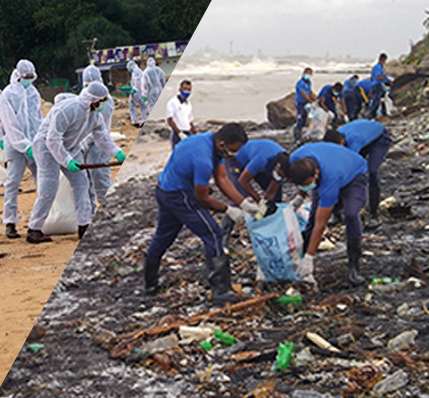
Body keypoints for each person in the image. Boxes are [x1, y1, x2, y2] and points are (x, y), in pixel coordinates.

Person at [143, 124, 261, 303]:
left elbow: (222, 179)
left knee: (163, 236)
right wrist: (228, 210)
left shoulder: (212, 142)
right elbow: (202, 198)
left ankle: (150, 285)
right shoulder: (203, 159)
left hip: (164, 189)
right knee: (213, 234)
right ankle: (220, 291)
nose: (235, 155)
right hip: (178, 195)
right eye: (234, 150)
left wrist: (243, 203)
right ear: (223, 144)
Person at [27, 83, 126, 244]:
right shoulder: (67, 110)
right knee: (49, 187)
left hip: (71, 147)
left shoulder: (94, 116)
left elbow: (102, 138)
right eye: (103, 101)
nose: (104, 105)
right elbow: (53, 139)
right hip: (46, 147)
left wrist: (116, 152)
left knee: (82, 183)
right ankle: (34, 229)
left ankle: (84, 225)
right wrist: (66, 161)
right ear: (94, 100)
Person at [289, 142, 369, 286]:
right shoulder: (296, 159)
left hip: (354, 173)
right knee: (312, 217)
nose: (306, 187)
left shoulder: (330, 179)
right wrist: (300, 197)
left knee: (351, 214)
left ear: (316, 174)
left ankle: (353, 266)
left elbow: (321, 224)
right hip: (333, 163)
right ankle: (300, 262)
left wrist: (310, 258)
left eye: (309, 183)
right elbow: (299, 181)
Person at [0, 60, 43, 239]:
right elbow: (9, 123)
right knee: (13, 183)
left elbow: (38, 118)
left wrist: (39, 140)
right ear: (19, 75)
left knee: (43, 181)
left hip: (34, 143)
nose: (29, 80)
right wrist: (24, 145)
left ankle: (41, 220)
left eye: (32, 77)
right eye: (26, 77)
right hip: (15, 146)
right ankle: (10, 222)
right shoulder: (8, 94)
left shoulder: (33, 92)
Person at [323, 119, 391, 225]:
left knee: (372, 171)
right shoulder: (334, 138)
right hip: (364, 134)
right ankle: (336, 213)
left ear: (342, 142)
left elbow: (352, 166)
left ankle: (373, 213)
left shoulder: (354, 141)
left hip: (379, 137)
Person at [79, 65, 115, 214]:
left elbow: (98, 129)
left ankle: (108, 215)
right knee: (87, 185)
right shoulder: (86, 96)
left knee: (101, 183)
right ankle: (91, 216)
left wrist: (83, 144)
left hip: (99, 146)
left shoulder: (105, 100)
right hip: (87, 147)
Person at [166, 79, 197, 149]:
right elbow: (170, 120)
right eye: (185, 89)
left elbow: (189, 121)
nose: (187, 92)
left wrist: (196, 133)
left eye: (189, 90)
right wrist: (179, 133)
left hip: (187, 132)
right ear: (180, 89)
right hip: (176, 133)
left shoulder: (188, 104)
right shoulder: (173, 102)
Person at [293, 68, 317, 142]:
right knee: (300, 119)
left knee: (305, 119)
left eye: (310, 74)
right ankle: (297, 135)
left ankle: (303, 134)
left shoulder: (309, 82)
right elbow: (303, 94)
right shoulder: (300, 83)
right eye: (307, 74)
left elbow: (310, 92)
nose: (308, 76)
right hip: (300, 103)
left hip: (306, 104)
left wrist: (316, 99)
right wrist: (310, 101)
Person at [126, 60, 147, 128]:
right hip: (140, 91)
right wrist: (131, 83)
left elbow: (138, 81)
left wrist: (134, 89)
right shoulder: (137, 71)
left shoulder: (136, 71)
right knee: (143, 106)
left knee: (131, 105)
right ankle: (144, 120)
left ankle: (135, 121)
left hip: (137, 91)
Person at [368, 53, 388, 119]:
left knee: (382, 99)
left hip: (374, 85)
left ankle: (383, 112)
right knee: (376, 100)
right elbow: (378, 77)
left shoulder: (375, 67)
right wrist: (386, 78)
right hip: (377, 85)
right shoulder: (378, 67)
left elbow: (371, 78)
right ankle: (372, 114)